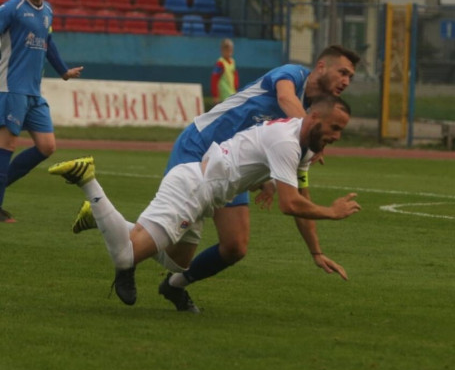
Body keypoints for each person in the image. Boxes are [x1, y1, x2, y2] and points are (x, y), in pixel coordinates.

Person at [48, 96, 361, 312]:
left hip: (205, 197)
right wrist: (332, 212)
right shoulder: (287, 141)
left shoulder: (305, 148)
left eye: (341, 130)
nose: (337, 136)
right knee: (125, 257)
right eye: (334, 127)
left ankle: (100, 218)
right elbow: (290, 204)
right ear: (314, 117)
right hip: (192, 188)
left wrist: (316, 251)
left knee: (177, 263)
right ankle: (87, 180)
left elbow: (301, 200)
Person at [0, 0, 84, 223]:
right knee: (7, 145)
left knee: (47, 147)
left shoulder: (47, 10)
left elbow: (48, 42)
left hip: (34, 93)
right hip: (11, 89)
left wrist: (63, 71)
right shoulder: (12, 8)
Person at [210, 38, 239, 104]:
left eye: (230, 50)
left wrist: (236, 89)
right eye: (227, 50)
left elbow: (235, 76)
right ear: (222, 50)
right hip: (223, 96)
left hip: (232, 94)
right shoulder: (220, 63)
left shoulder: (232, 61)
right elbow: (214, 79)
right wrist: (215, 95)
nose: (229, 52)